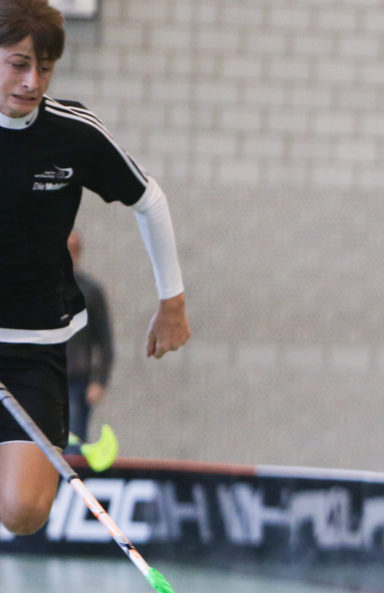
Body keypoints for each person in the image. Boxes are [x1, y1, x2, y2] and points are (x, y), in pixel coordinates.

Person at [0, 0, 190, 536]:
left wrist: (172, 301)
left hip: (35, 347)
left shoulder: (73, 133)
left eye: (45, 68)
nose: (32, 81)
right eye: (18, 64)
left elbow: (149, 200)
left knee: (24, 512)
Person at [64, 230, 114, 443]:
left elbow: (105, 341)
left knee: (73, 441)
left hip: (77, 379)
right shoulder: (43, 289)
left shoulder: (90, 291)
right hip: (45, 376)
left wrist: (99, 381)